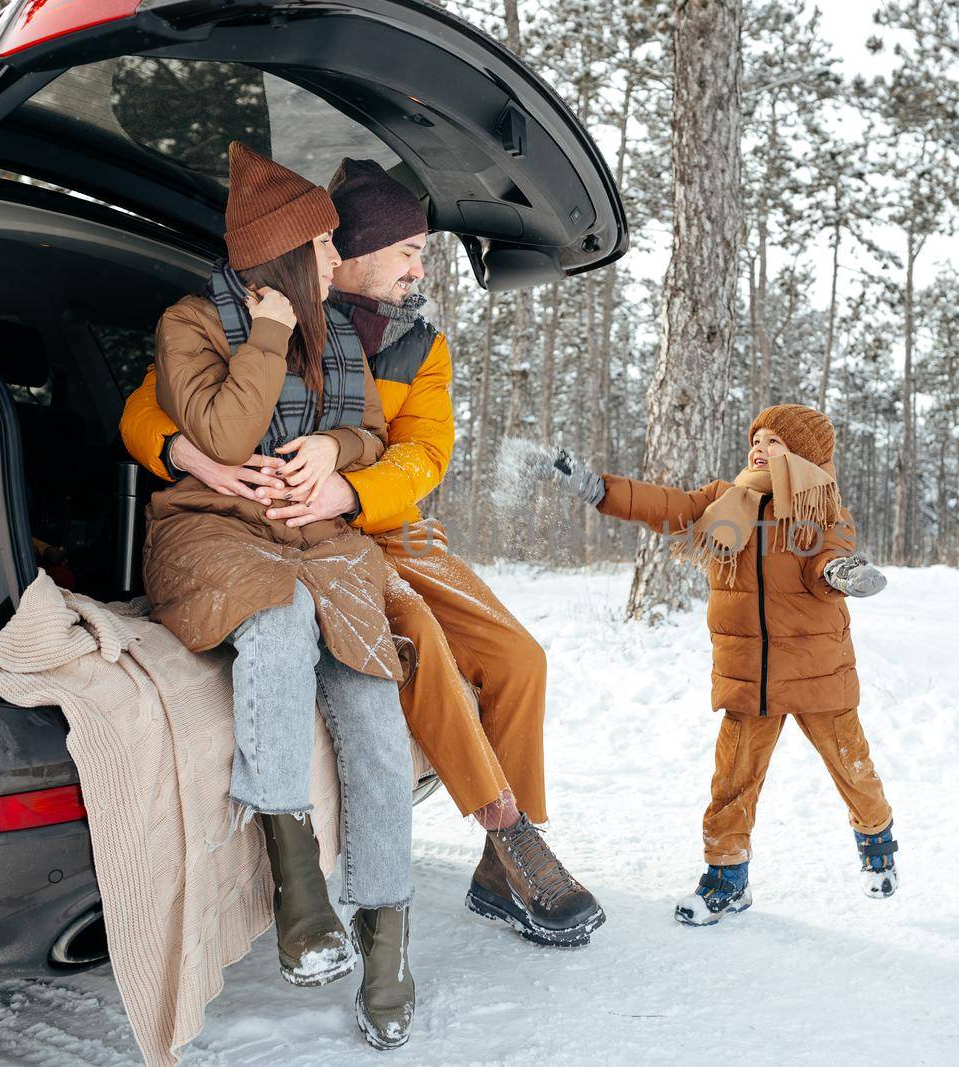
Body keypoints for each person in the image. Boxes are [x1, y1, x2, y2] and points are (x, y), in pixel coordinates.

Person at [121, 158, 604, 948]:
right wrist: (186, 453)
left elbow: (424, 454)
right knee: (427, 649)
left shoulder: (420, 345)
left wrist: (347, 487)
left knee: (521, 658)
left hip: (390, 523)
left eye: (422, 254)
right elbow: (148, 403)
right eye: (409, 250)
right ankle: (510, 830)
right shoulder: (265, 311)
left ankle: (499, 860)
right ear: (343, 248)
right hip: (309, 536)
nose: (420, 269)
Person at [141, 142, 415, 1048]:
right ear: (292, 254)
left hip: (319, 534)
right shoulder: (192, 321)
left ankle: (387, 934)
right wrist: (264, 332)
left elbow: (373, 426)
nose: (340, 262)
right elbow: (221, 426)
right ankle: (300, 893)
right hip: (211, 532)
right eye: (329, 247)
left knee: (376, 700)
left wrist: (335, 455)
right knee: (278, 613)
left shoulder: (337, 331)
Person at [531, 403, 899, 925]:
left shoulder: (822, 509)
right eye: (757, 438)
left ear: (803, 456)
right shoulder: (727, 501)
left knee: (851, 767)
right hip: (750, 674)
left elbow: (827, 556)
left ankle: (878, 844)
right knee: (732, 782)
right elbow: (668, 505)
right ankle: (727, 879)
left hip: (818, 672)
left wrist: (843, 571)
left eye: (775, 442)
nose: (760, 447)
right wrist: (599, 489)